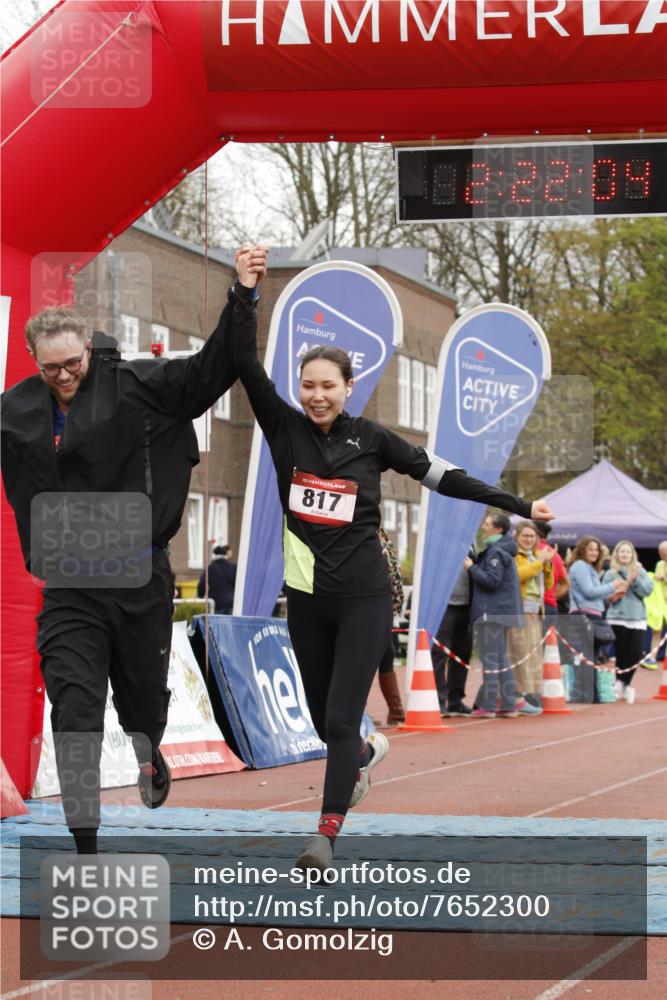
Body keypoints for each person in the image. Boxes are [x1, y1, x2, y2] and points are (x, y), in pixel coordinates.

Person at [233, 244, 555, 872]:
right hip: (305, 599)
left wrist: (517, 504)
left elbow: (448, 476)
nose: (317, 395)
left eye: (329, 386)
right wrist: (246, 294)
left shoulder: (373, 440)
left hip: (363, 597)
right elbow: (244, 362)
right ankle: (359, 751)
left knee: (337, 714)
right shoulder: (283, 427)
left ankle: (324, 834)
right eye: (309, 386)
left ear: (350, 388)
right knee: (332, 725)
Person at [1, 267, 259, 854]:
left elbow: (212, 370)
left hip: (140, 572)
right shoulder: (15, 412)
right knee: (75, 704)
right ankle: (84, 839)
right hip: (70, 582)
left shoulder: (139, 384)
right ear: (33, 362)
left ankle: (149, 749)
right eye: (51, 369)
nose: (65, 377)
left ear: (88, 350)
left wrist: (242, 298)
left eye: (74, 364)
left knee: (142, 699)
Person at [468, 512, 540, 719]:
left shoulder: (496, 552)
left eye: (487, 524)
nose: (483, 526)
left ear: (498, 529)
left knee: (491, 659)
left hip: (493, 612)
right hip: (501, 612)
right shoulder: (503, 550)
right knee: (500, 659)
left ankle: (489, 705)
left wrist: (471, 568)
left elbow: (491, 581)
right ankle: (508, 703)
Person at [507, 520, 555, 708]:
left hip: (537, 610)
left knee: (533, 655)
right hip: (520, 609)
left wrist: (547, 565)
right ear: (517, 537)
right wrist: (539, 563)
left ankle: (531, 692)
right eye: (525, 536)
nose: (528, 539)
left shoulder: (536, 555)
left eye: (532, 536)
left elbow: (549, 585)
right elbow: (517, 575)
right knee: (520, 653)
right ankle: (519, 693)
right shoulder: (514, 555)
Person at [602, 541, 654, 703]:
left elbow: (647, 591)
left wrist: (634, 580)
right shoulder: (611, 573)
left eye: (628, 552)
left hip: (638, 617)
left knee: (636, 653)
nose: (625, 555)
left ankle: (625, 682)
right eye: (622, 552)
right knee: (622, 652)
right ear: (616, 554)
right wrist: (620, 588)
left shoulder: (641, 571)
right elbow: (605, 595)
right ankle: (619, 683)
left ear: (633, 554)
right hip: (618, 617)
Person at [567, 535, 627, 665]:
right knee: (586, 660)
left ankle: (590, 685)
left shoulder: (589, 567)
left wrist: (611, 598)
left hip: (592, 615)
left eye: (596, 550)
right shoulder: (580, 566)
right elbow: (589, 592)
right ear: (582, 550)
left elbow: (594, 596)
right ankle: (585, 685)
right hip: (584, 616)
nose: (595, 553)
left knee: (591, 659)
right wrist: (612, 586)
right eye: (591, 549)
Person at [430, 556, 474, 717]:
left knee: (463, 652)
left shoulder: (471, 543)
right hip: (444, 605)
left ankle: (455, 700)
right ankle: (438, 700)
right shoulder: (443, 541)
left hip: (468, 605)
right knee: (440, 652)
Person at [376, 527, 405, 726]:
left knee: (387, 653)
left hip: (384, 601)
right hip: (365, 600)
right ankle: (358, 713)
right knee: (365, 658)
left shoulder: (383, 535)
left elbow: (394, 570)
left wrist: (396, 601)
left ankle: (396, 711)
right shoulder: (358, 533)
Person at [197, 544, 237, 613]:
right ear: (225, 555)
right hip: (231, 604)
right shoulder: (233, 567)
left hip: (215, 604)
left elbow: (202, 584)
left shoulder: (210, 568)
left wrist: (200, 595)